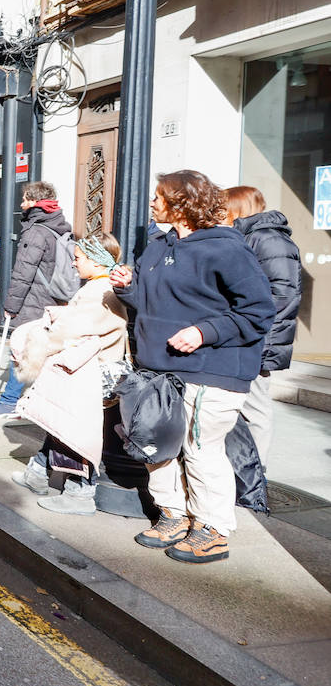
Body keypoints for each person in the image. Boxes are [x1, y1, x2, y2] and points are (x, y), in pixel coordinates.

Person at [111, 171, 273, 564]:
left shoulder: (226, 250)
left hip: (212, 370)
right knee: (157, 446)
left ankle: (213, 529)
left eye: (159, 197)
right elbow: (150, 301)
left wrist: (204, 332)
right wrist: (127, 287)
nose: (152, 203)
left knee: (201, 450)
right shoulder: (156, 247)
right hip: (158, 369)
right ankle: (173, 515)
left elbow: (259, 312)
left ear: (182, 204)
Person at [10, 233, 130, 515]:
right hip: (90, 371)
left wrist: (34, 342)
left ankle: (79, 494)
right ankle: (38, 473)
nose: (74, 264)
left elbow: (69, 331)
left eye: (78, 258)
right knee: (61, 422)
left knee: (74, 429)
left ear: (96, 261)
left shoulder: (99, 292)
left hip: (87, 374)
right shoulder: (101, 287)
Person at [0, 181, 74, 419]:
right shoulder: (58, 226)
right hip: (53, 298)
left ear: (33, 202)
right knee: (43, 350)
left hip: (33, 299)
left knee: (20, 350)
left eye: (24, 200)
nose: (21, 204)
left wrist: (10, 307)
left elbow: (23, 272)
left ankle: (9, 401)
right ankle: (41, 401)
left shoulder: (36, 231)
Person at [224, 186, 301, 463]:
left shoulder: (268, 240)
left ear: (237, 209)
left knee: (255, 409)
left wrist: (259, 338)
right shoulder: (249, 236)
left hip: (257, 339)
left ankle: (256, 474)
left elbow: (283, 295)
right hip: (244, 336)